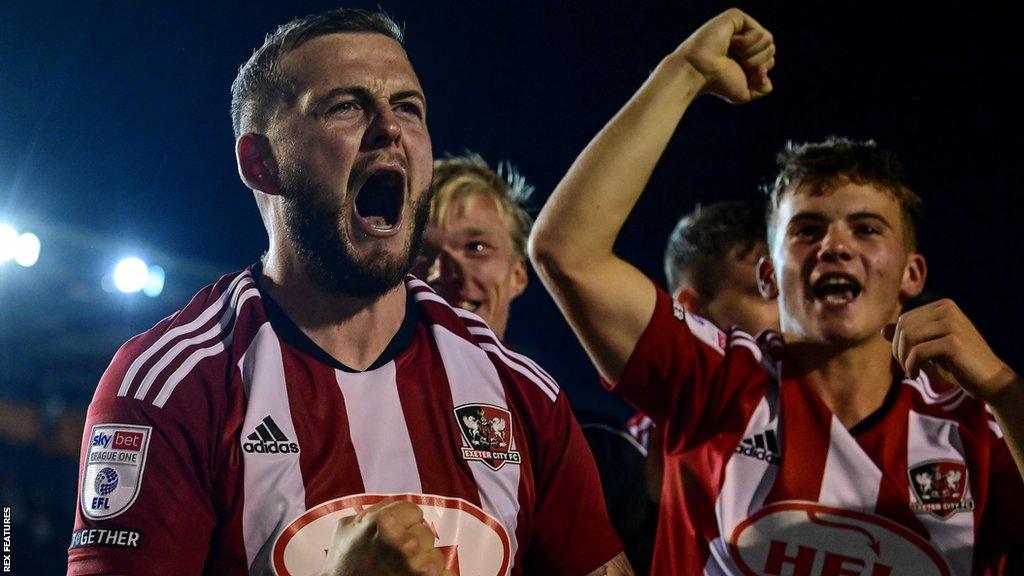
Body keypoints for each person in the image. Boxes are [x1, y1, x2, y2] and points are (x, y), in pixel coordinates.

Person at [67, 9, 628, 576]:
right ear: (261, 164)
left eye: (409, 107)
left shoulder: (519, 391)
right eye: (347, 106)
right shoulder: (173, 386)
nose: (390, 128)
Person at [529, 8, 1024, 575]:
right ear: (769, 275)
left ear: (911, 273)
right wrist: (685, 70)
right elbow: (567, 251)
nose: (834, 247)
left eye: (866, 229)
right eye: (807, 230)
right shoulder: (719, 383)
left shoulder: (974, 432)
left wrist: (1006, 391)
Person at [411, 153, 531, 342]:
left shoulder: (532, 373)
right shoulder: (359, 369)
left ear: (518, 274)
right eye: (420, 252)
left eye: (476, 247)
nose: (440, 273)